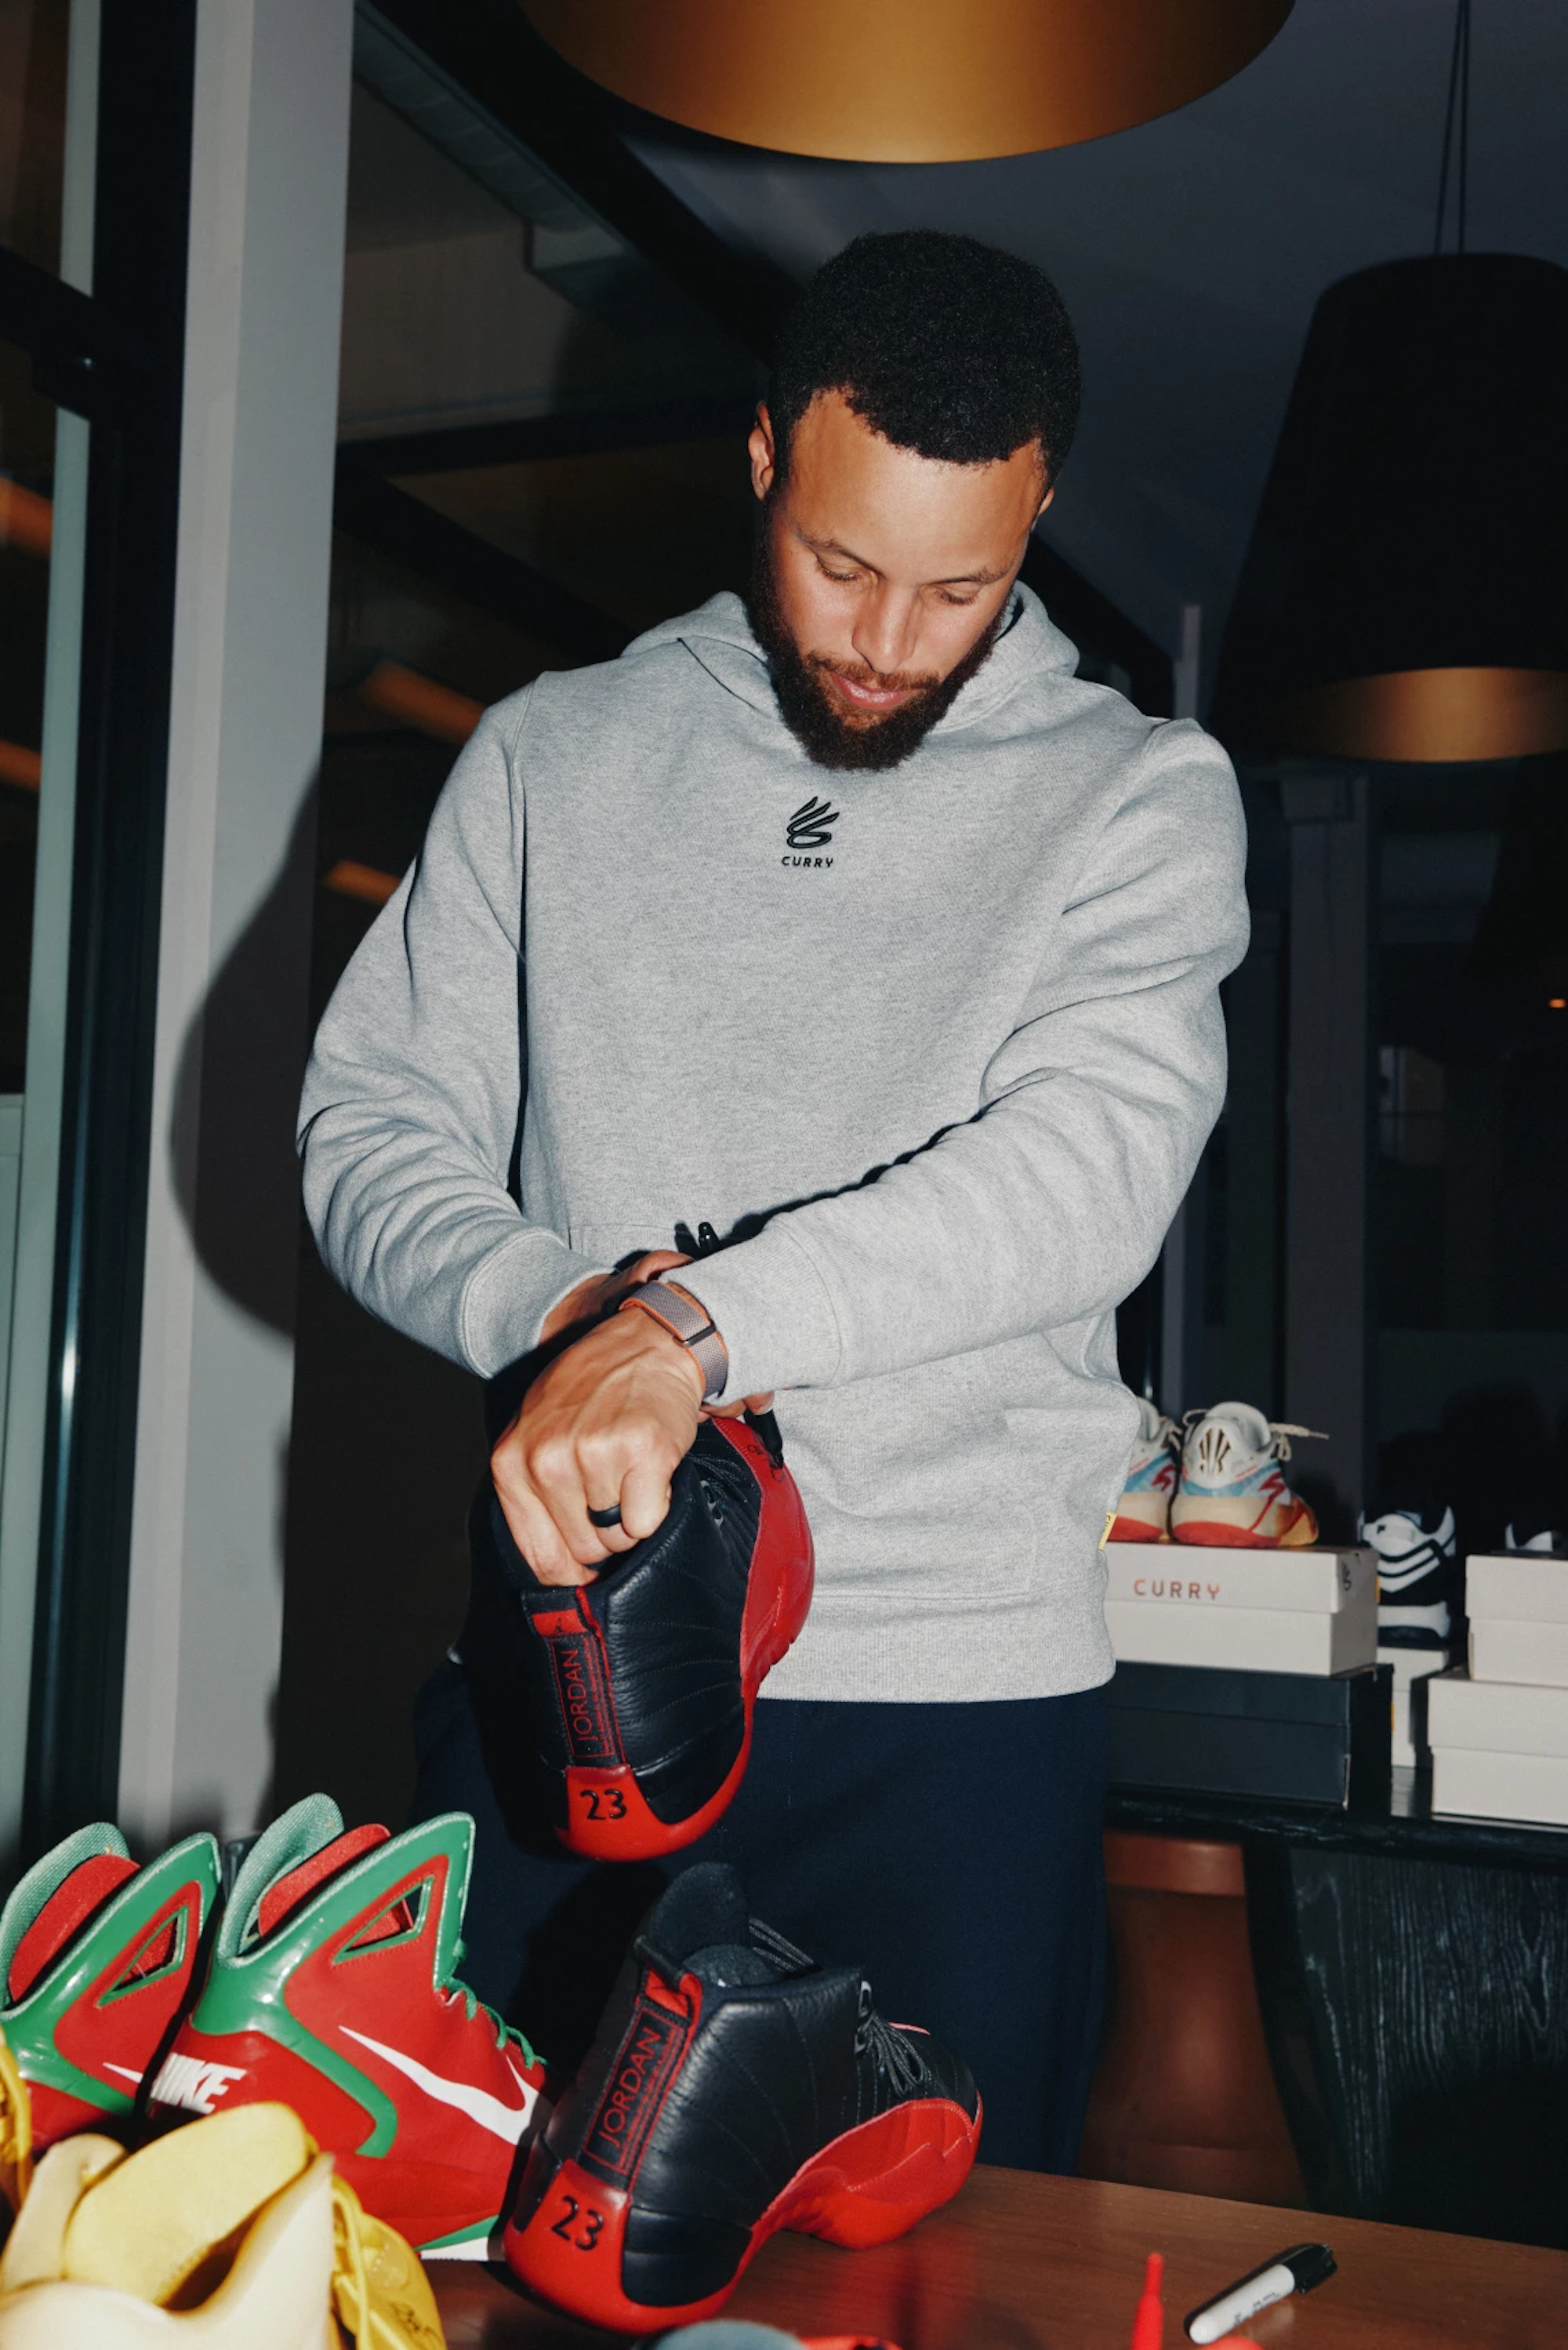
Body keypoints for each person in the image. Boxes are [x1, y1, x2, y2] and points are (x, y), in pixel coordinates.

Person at [297, 230, 1249, 2170]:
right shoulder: (549, 757)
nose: (890, 643)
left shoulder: (1140, 790)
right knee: (505, 2247)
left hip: (952, 1702)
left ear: (1039, 510)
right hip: (580, 1663)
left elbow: (1086, 1175)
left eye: (959, 586)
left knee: (947, 2283)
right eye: (841, 563)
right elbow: (367, 1122)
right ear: (760, 457)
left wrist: (691, 1332)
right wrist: (565, 1322)